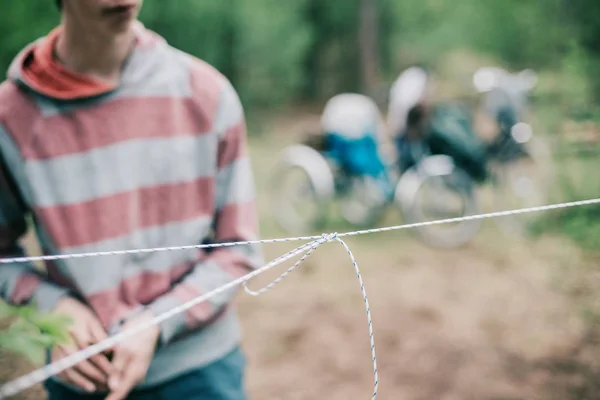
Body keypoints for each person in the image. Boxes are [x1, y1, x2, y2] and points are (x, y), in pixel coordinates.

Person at [0, 0, 263, 399]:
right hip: (82, 378)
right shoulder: (10, 118)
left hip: (200, 375)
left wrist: (159, 322)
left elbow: (237, 248)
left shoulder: (206, 93)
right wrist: (53, 306)